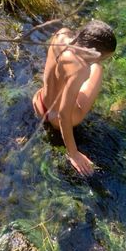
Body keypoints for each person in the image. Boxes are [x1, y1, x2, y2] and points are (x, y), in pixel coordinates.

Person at [33, 20, 117, 176]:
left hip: (39, 103)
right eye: (101, 57)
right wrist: (73, 153)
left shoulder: (62, 34)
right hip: (57, 119)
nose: (100, 60)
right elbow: (63, 115)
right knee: (97, 70)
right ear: (93, 52)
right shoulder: (80, 69)